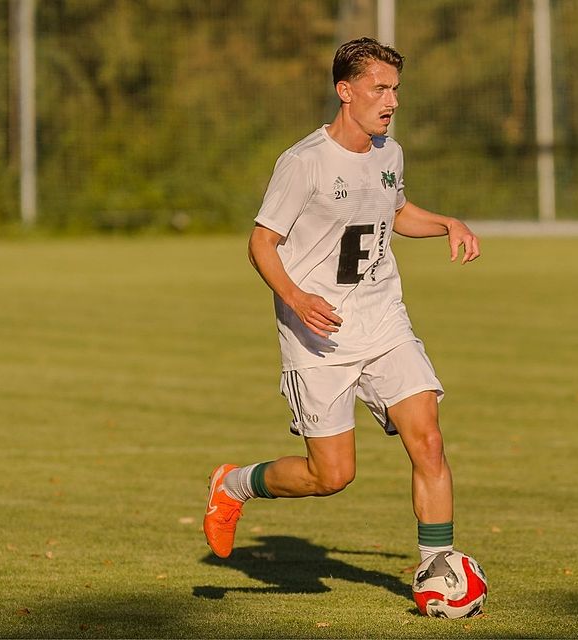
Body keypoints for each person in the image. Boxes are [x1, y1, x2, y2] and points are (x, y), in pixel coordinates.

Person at [203, 37, 480, 565]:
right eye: (380, 89)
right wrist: (295, 297)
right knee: (330, 476)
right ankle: (235, 484)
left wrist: (447, 221)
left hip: (383, 321)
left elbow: (394, 212)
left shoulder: (389, 153)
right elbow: (261, 243)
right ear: (345, 91)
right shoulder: (303, 162)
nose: (392, 101)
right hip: (318, 332)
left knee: (428, 441)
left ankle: (437, 566)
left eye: (396, 89)